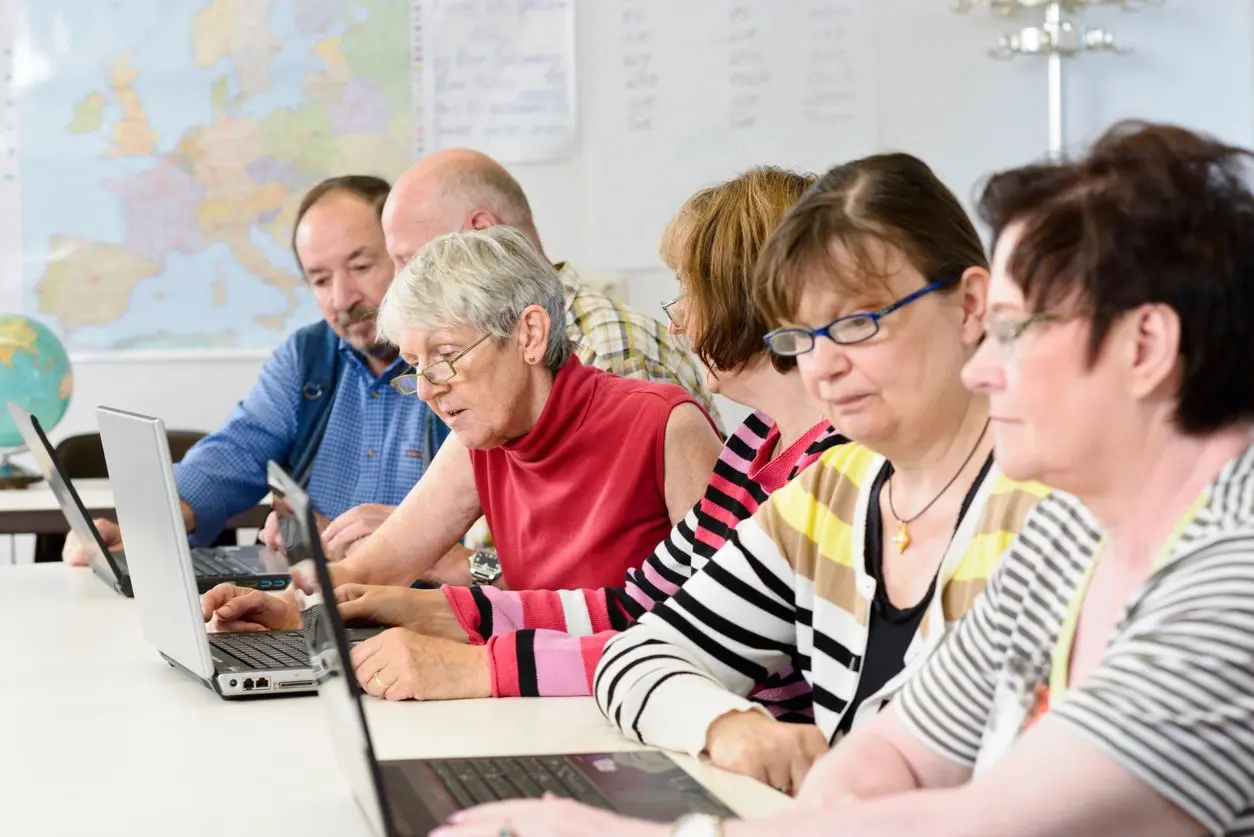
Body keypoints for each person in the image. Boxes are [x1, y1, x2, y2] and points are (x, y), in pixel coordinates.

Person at [438, 123, 1254, 837]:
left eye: (1016, 331)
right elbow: (900, 745)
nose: (990, 368)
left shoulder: (1232, 577)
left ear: (1145, 345)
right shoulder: (1075, 532)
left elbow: (991, 822)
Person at [325, 166, 845, 703]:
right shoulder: (751, 445)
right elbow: (631, 606)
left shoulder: (836, 466)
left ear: (756, 295)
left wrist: (479, 666)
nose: (678, 322)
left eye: (691, 291)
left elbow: (700, 647)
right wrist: (444, 611)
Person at [202, 226, 725, 686]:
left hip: (624, 699)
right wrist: (287, 609)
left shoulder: (666, 427)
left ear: (530, 334)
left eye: (446, 356)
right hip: (529, 691)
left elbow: (718, 634)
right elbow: (374, 569)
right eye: (415, 364)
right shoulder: (482, 437)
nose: (428, 391)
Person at [305, 148, 724, 561]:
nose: (427, 389)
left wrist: (447, 578)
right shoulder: (488, 418)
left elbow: (609, 590)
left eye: (412, 260)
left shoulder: (615, 358)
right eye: (415, 365)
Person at [62, 176, 449, 563]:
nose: (342, 298)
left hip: (430, 603)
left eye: (361, 266)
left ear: (405, 258)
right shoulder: (308, 356)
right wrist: (149, 528)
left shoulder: (458, 364)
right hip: (313, 600)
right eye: (320, 279)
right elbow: (238, 448)